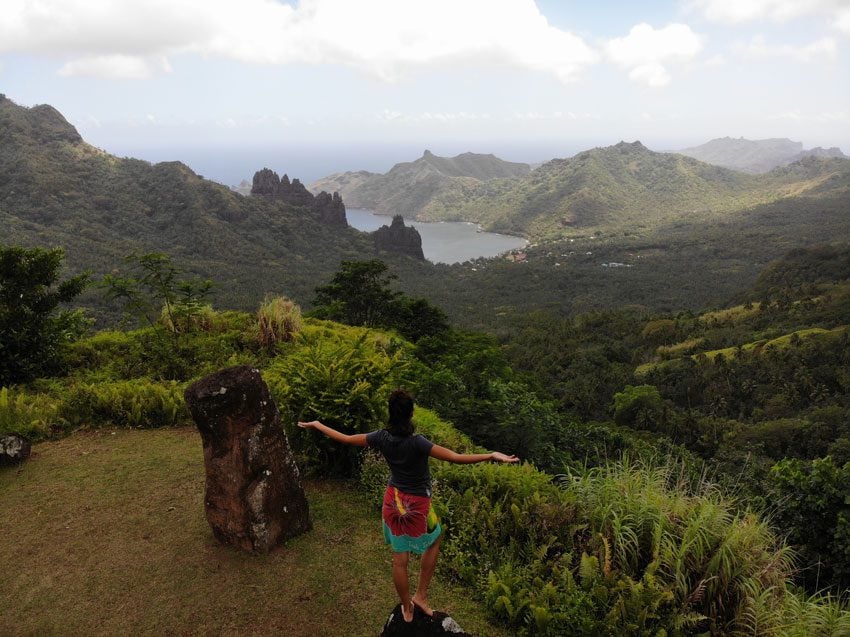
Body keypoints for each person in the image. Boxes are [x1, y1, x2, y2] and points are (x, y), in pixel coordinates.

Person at [298, 388, 519, 623]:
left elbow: (346, 438)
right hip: (417, 506)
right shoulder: (418, 443)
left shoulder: (381, 437)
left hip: (393, 502)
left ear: (391, 413)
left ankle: (406, 606)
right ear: (411, 414)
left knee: (399, 558)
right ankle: (420, 596)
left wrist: (318, 424)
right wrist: (491, 455)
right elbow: (455, 457)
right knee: (434, 539)